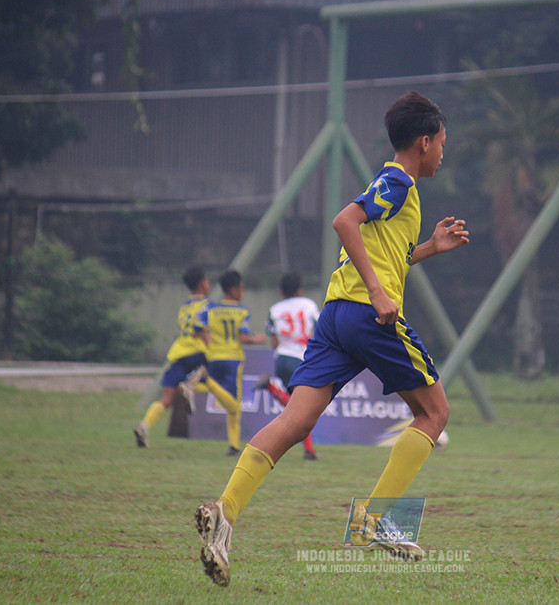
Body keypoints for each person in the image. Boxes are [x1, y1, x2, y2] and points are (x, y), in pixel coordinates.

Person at [194, 91, 469, 587]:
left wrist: (428, 247)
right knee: (435, 412)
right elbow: (346, 221)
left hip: (336, 316)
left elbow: (384, 251)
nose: (443, 153)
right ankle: (376, 522)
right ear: (424, 142)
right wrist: (381, 294)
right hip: (367, 314)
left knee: (296, 420)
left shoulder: (392, 186)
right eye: (443, 143)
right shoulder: (398, 181)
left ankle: (225, 511)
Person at [134, 266, 224, 448]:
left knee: (167, 398)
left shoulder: (184, 307)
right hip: (198, 354)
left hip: (179, 353)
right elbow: (201, 331)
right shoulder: (209, 305)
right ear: (203, 283)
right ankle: (190, 386)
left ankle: (144, 426)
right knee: (218, 384)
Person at [255, 272, 320, 461]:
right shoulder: (308, 305)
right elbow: (320, 329)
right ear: (299, 290)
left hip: (281, 358)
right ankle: (270, 387)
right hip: (301, 358)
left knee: (295, 406)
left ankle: (310, 451)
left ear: (281, 292)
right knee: (302, 408)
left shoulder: (274, 309)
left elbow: (274, 343)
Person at [201, 269, 267, 457]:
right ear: (234, 289)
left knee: (227, 402)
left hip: (214, 357)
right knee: (235, 405)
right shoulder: (242, 311)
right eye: (241, 288)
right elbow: (243, 337)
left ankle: (233, 445)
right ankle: (208, 382)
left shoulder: (211, 309)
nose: (243, 292)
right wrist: (258, 340)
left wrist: (210, 344)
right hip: (233, 358)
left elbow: (200, 330)